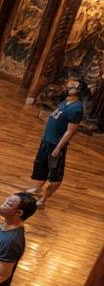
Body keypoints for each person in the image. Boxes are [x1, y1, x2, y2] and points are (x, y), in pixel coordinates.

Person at [30, 77, 84, 209]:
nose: (68, 87)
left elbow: (71, 130)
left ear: (78, 90)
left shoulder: (76, 109)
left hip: (55, 144)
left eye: (72, 86)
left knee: (55, 175)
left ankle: (43, 200)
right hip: (47, 140)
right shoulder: (65, 102)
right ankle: (38, 188)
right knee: (42, 167)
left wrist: (59, 147)